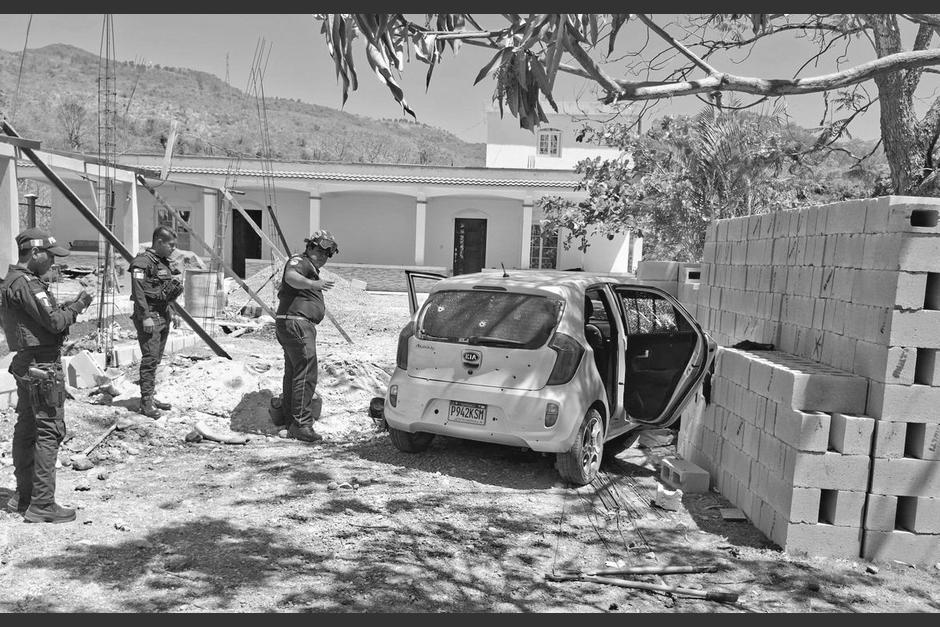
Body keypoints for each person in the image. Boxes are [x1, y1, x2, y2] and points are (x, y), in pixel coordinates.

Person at [0, 227, 93, 523]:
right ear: (35, 253)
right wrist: (78, 306)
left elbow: (38, 319)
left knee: (27, 427)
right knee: (48, 431)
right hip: (42, 366)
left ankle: (24, 496)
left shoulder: (13, 281)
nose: (53, 262)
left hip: (28, 363)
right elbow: (53, 322)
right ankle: (42, 504)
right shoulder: (28, 284)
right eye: (50, 256)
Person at [270, 229, 337, 442]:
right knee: (306, 372)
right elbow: (290, 277)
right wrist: (312, 284)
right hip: (297, 324)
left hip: (293, 324)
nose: (323, 256)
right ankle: (301, 424)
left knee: (294, 373)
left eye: (328, 254)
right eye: (320, 250)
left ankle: (290, 421)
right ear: (310, 247)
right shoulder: (299, 261)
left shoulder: (310, 267)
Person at [129, 226, 183, 419]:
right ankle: (146, 403)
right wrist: (145, 317)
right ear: (159, 241)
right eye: (170, 245)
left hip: (163, 314)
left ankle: (151, 396)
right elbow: (138, 292)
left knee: (157, 359)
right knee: (150, 359)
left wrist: (174, 312)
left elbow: (167, 291)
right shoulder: (141, 263)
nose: (172, 249)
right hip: (150, 315)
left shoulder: (163, 263)